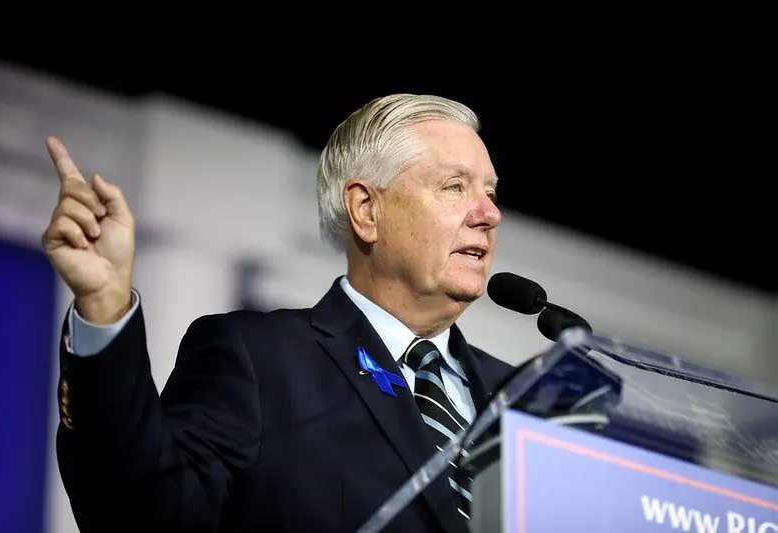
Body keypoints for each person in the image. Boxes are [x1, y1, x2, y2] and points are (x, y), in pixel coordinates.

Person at [43, 93, 514, 533]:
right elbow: (144, 511)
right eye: (455, 187)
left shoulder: (528, 403)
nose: (488, 214)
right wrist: (104, 307)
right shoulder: (259, 359)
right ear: (366, 210)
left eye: (491, 194)